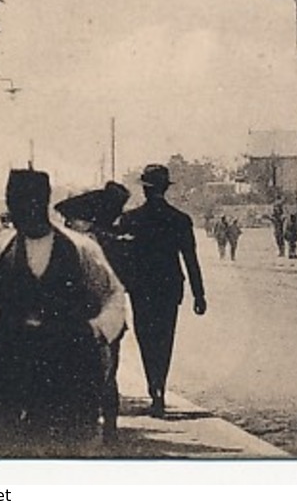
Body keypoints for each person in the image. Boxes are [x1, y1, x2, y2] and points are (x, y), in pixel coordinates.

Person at [0, 169, 127, 455]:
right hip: (6, 364)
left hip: (66, 367)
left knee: (62, 449)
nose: (25, 208)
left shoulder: (81, 248)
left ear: (45, 200)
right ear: (10, 203)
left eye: (33, 201)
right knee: (5, 448)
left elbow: (113, 295)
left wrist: (96, 330)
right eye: (18, 201)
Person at [114, 164, 206, 417]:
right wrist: (199, 294)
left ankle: (153, 387)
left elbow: (119, 256)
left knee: (146, 338)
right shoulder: (180, 220)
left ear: (144, 189)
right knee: (165, 339)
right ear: (166, 188)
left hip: (140, 288)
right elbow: (190, 260)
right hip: (169, 288)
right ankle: (159, 389)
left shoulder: (130, 219)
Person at [53, 180, 132, 442]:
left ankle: (82, 427)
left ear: (86, 220)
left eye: (70, 219)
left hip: (79, 318)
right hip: (109, 318)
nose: (66, 224)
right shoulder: (115, 242)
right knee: (108, 373)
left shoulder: (72, 246)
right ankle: (109, 430)